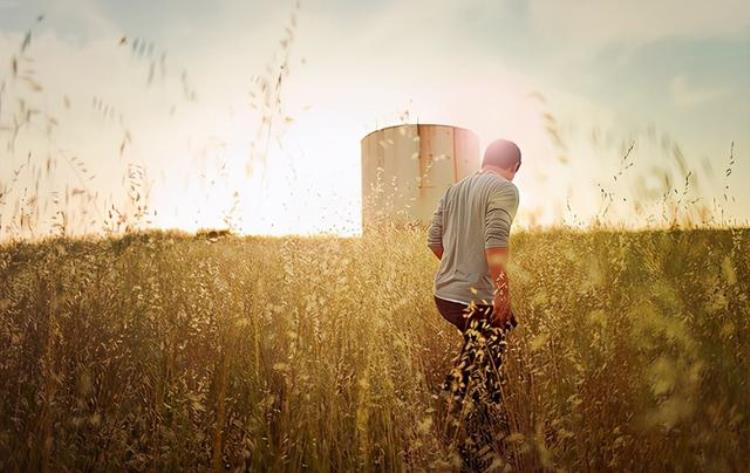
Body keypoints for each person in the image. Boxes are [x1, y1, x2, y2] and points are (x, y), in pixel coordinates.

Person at [427, 138, 522, 470]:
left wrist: (456, 265)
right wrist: (503, 291)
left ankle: (453, 393)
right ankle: (478, 431)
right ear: (515, 167)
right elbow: (496, 240)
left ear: (485, 159)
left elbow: (433, 240)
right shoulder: (505, 189)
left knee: (483, 339)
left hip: (444, 296)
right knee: (491, 360)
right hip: (475, 298)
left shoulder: (455, 189)